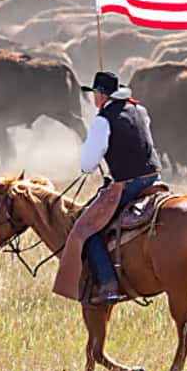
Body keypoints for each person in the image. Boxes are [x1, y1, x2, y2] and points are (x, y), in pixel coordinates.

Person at [77, 71, 161, 304]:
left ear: (101, 95)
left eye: (95, 93)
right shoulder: (140, 111)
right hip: (155, 180)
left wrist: (91, 167)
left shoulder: (102, 120)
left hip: (130, 184)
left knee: (88, 227)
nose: (94, 98)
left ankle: (108, 285)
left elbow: (87, 164)